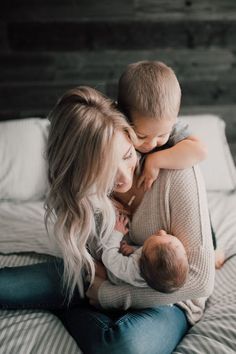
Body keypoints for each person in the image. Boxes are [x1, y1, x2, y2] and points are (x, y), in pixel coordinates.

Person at [0, 86, 215, 354]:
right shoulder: (86, 193)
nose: (125, 178)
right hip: (99, 277)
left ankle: (71, 305)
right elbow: (93, 262)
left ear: (131, 135)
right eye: (104, 172)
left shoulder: (177, 172)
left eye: (127, 155)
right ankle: (74, 302)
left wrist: (107, 296)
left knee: (122, 347)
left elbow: (200, 281)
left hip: (169, 299)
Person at [118, 60, 224, 268]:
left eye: (161, 135)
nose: (151, 143)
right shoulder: (118, 132)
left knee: (197, 203)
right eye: (141, 135)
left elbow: (200, 150)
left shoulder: (173, 131)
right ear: (123, 117)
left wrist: (156, 159)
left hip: (174, 206)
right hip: (141, 212)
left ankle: (211, 249)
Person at [102, 213, 189, 293]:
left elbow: (109, 257)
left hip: (110, 271)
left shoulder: (132, 270)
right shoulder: (151, 263)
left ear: (141, 260)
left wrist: (118, 233)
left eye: (157, 235)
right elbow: (147, 250)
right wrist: (133, 250)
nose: (162, 231)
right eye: (169, 236)